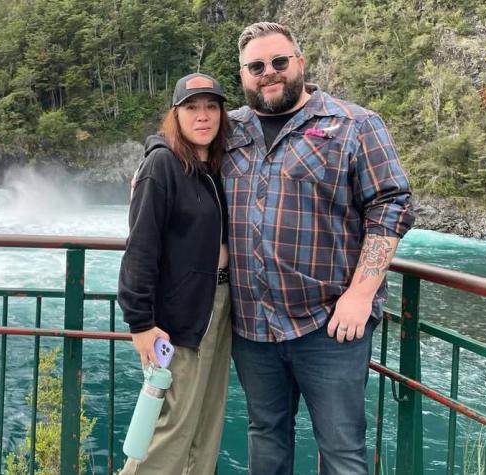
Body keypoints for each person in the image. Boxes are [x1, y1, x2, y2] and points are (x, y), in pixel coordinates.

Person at [223, 22, 415, 475]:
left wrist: (362, 294)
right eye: (256, 67)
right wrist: (150, 165)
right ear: (244, 74)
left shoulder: (354, 124)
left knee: (342, 450)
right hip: (252, 326)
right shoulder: (228, 131)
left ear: (300, 63)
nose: (268, 73)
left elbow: (391, 206)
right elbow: (178, 145)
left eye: (279, 62)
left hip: (329, 324)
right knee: (265, 437)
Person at [117, 72, 231, 475]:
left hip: (219, 306)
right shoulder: (162, 165)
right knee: (169, 426)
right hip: (177, 316)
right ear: (175, 115)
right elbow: (140, 247)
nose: (203, 116)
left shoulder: (216, 166)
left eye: (211, 106)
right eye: (191, 107)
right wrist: (140, 322)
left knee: (206, 423)